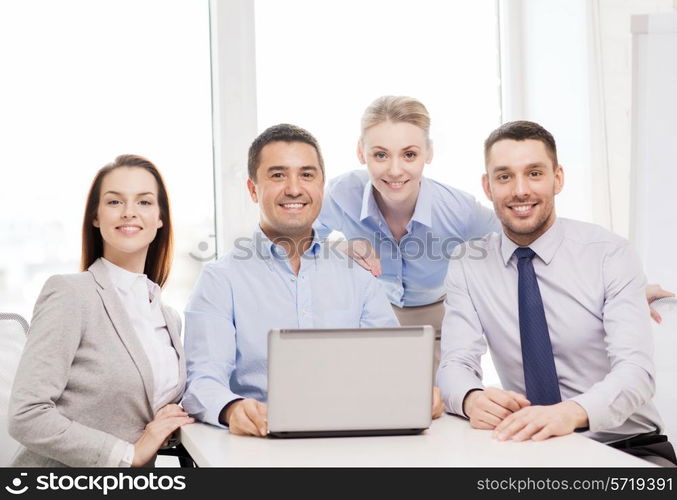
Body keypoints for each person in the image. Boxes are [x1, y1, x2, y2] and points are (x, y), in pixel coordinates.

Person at [316, 96, 672, 366]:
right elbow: (299, 237)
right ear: (361, 153)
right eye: (380, 155)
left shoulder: (459, 211)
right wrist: (338, 248)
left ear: (428, 153)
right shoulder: (340, 193)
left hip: (436, 317)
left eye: (409, 154)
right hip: (373, 312)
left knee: (431, 411)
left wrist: (624, 291)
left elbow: (531, 240)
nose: (395, 170)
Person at [437, 121, 676, 466]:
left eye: (534, 173)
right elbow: (455, 364)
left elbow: (636, 373)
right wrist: (471, 397)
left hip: (626, 446)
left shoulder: (610, 254)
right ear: (488, 187)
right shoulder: (468, 264)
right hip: (533, 449)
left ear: (557, 178)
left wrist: (572, 412)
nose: (520, 190)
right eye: (504, 177)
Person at [181, 124, 442, 437]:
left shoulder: (357, 274)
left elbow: (395, 371)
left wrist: (419, 394)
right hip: (260, 448)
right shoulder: (221, 280)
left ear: (321, 185)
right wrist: (231, 408)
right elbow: (202, 381)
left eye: (307, 175)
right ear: (253, 189)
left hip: (356, 443)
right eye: (278, 175)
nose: (294, 188)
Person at [9, 155, 192, 467]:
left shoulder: (167, 317)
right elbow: (26, 416)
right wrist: (128, 454)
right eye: (114, 201)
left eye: (145, 202)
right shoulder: (71, 294)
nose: (129, 212)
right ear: (96, 216)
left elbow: (143, 410)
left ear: (161, 218)